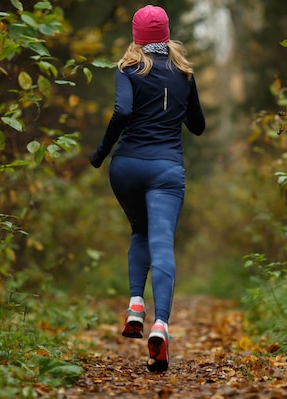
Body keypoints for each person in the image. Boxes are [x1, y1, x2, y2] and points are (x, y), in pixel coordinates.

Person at [89, 4, 205, 372]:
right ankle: (160, 325)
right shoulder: (185, 75)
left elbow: (122, 111)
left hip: (125, 168)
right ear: (167, 35)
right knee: (161, 242)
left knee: (139, 231)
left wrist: (100, 152)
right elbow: (198, 126)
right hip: (166, 170)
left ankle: (136, 304)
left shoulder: (127, 69)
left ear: (136, 38)